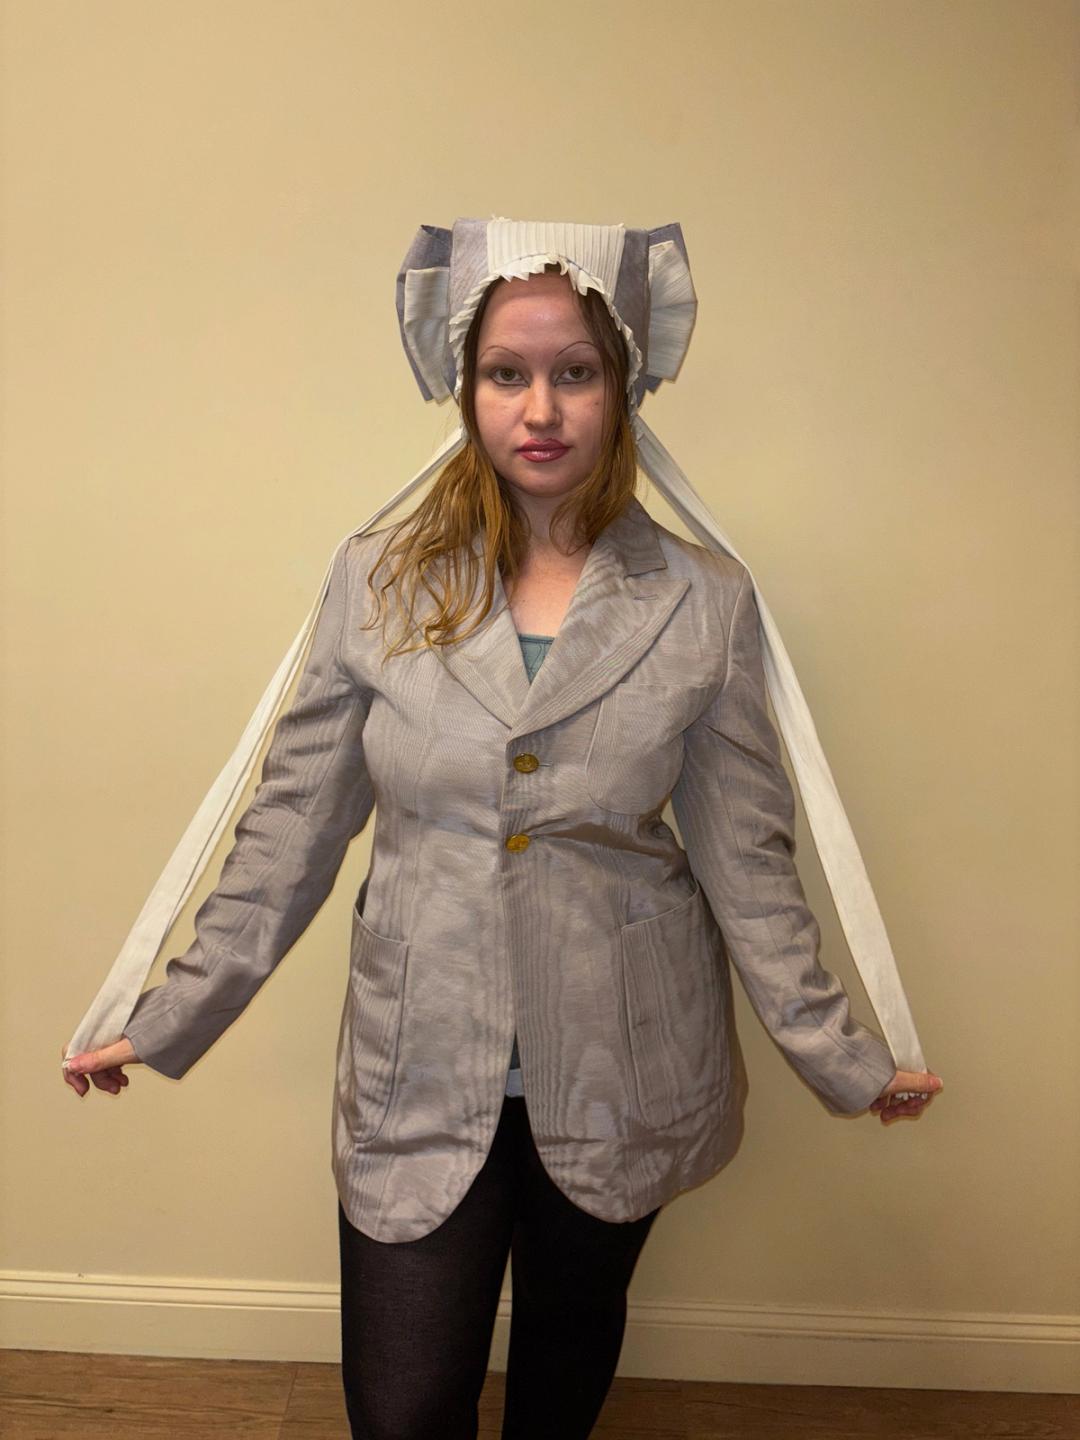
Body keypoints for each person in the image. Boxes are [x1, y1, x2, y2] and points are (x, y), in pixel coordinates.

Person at [62, 219, 943, 1440]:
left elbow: (748, 862)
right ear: (463, 386)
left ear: (623, 386)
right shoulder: (376, 580)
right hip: (419, 1056)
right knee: (405, 1409)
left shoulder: (704, 600)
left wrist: (844, 1055)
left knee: (559, 1390)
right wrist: (166, 1015)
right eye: (506, 373)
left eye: (574, 372)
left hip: (627, 1058)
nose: (540, 408)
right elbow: (288, 832)